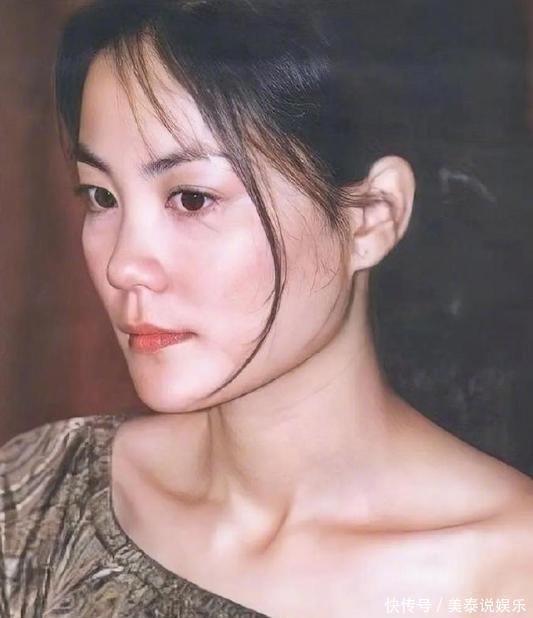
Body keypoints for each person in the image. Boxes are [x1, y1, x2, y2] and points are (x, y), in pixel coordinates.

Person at [1, 0, 532, 616]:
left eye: (192, 199)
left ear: (370, 218)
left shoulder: (505, 576)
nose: (123, 265)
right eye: (101, 196)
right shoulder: (35, 499)